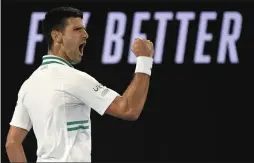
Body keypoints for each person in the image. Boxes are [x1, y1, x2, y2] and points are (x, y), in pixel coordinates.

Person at [5, 6, 154, 162]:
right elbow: (129, 109)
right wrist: (144, 60)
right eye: (77, 29)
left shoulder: (29, 84)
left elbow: (12, 143)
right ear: (57, 36)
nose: (86, 35)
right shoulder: (74, 79)